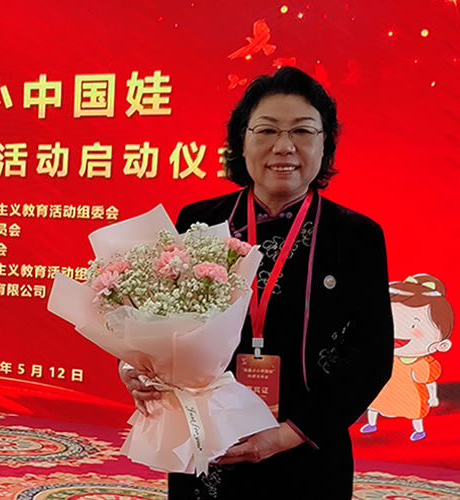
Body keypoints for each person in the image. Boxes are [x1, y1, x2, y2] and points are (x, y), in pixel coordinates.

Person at [118, 67, 394, 499]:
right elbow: (158, 324)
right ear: (241, 142)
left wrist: (283, 436)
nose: (284, 146)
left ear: (325, 143)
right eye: (266, 130)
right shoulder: (199, 221)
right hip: (207, 445)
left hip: (307, 450)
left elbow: (371, 358)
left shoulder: (356, 236)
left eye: (302, 131)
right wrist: (136, 369)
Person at [361, 273, 453, 441]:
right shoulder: (380, 355)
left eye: (414, 325)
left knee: (414, 411)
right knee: (374, 404)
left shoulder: (420, 363)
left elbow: (428, 380)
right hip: (383, 391)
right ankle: (372, 423)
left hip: (410, 395)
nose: (398, 331)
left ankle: (418, 430)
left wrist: (433, 397)